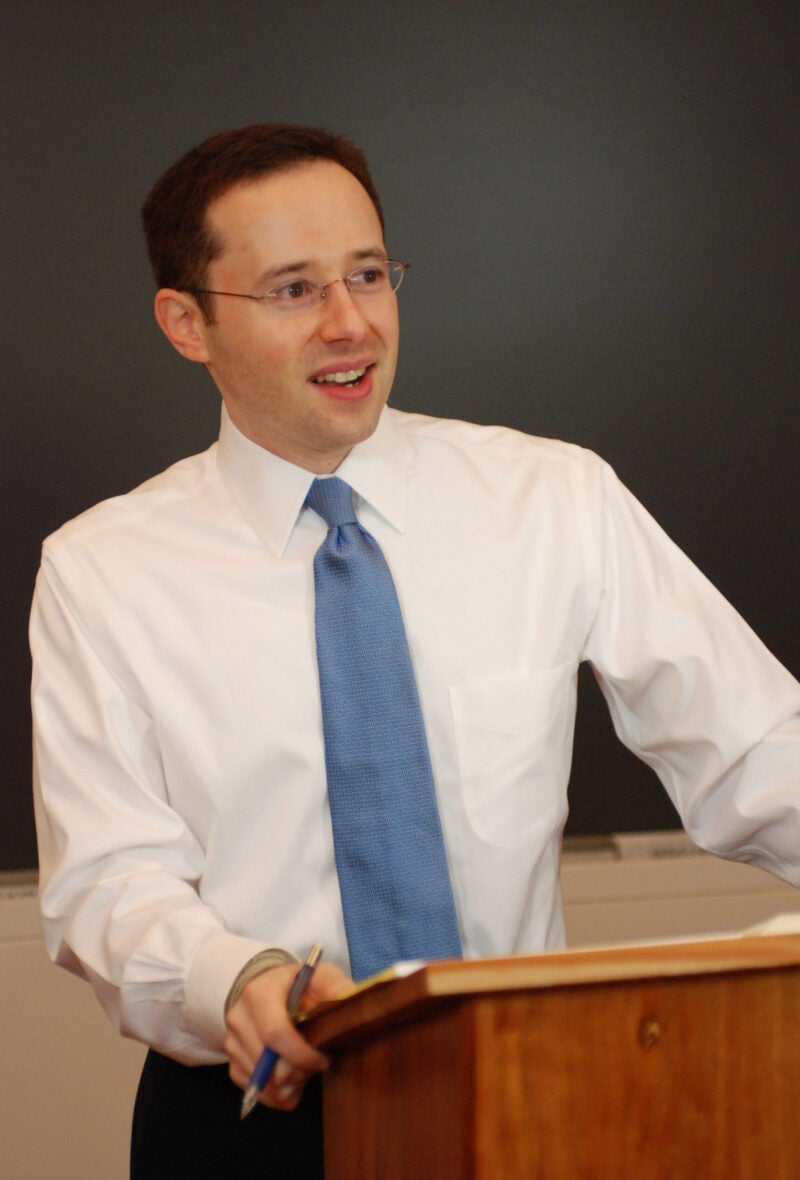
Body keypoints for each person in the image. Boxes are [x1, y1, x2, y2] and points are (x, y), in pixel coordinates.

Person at [31, 124, 800, 1177]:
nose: (351, 326)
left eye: (366, 274)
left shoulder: (551, 496)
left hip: (538, 1089)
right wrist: (236, 975)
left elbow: (759, 749)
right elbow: (107, 879)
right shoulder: (102, 568)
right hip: (255, 1113)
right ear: (186, 322)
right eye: (292, 290)